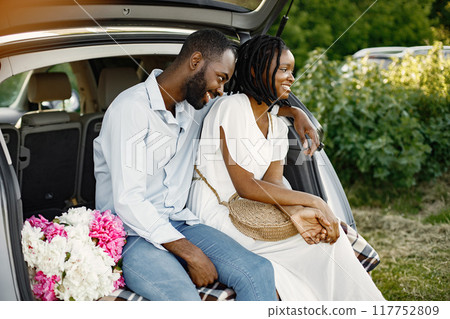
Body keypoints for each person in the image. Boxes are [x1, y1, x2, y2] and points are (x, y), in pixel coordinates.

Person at [93, 29, 320, 301]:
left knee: (258, 271)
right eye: (220, 78)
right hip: (134, 234)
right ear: (196, 61)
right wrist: (191, 253)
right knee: (184, 298)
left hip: (182, 221)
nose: (221, 89)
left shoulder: (195, 107)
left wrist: (294, 112)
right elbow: (129, 201)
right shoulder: (130, 109)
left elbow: (244, 107)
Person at [187, 35, 385, 300]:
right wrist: (315, 202)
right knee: (321, 246)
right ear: (257, 71)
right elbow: (245, 185)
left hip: (252, 210)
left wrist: (295, 213)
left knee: (324, 239)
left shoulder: (277, 124)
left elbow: (274, 181)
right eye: (283, 69)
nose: (291, 77)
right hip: (215, 213)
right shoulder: (231, 107)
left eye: (292, 71)